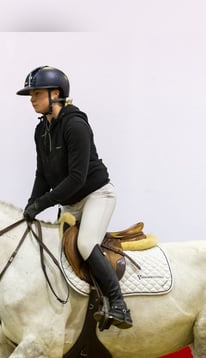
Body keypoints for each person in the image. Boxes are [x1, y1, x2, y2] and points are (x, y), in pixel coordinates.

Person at [17, 65, 132, 330]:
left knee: (85, 244)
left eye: (36, 93)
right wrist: (29, 207)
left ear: (55, 93)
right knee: (56, 251)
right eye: (31, 94)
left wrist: (42, 204)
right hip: (70, 201)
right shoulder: (41, 130)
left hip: (96, 195)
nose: (32, 99)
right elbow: (42, 175)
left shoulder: (75, 124)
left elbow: (77, 178)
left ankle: (118, 304)